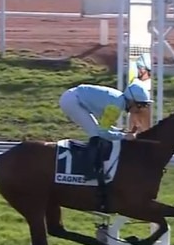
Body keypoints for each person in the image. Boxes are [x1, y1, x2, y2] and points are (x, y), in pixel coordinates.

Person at [58, 79, 153, 211]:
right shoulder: (116, 107)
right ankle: (90, 171)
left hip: (74, 98)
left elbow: (105, 127)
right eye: (139, 105)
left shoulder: (118, 101)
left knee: (96, 132)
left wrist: (121, 133)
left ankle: (93, 169)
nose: (139, 109)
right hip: (72, 101)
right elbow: (103, 133)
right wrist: (124, 136)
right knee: (95, 135)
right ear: (131, 101)